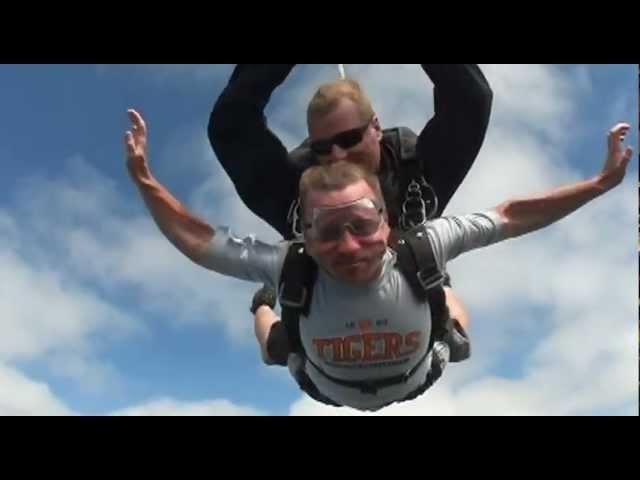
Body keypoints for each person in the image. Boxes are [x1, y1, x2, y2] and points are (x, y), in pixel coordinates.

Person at [126, 108, 632, 411]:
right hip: (325, 386)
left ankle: (447, 319)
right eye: (325, 231)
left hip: (416, 373)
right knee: (275, 341)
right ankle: (262, 305)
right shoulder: (289, 263)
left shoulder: (422, 242)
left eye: (363, 225)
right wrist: (147, 182)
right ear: (302, 231)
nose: (348, 247)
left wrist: (599, 183)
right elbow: (198, 240)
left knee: (449, 317)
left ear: (388, 221)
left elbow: (512, 215)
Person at [208, 64, 494, 333]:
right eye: (322, 147)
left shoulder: (418, 171)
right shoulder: (296, 191)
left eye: (349, 140)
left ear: (376, 127)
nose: (337, 156)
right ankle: (262, 305)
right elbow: (231, 126)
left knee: (442, 298)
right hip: (323, 323)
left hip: (413, 311)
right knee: (275, 343)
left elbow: (469, 99)